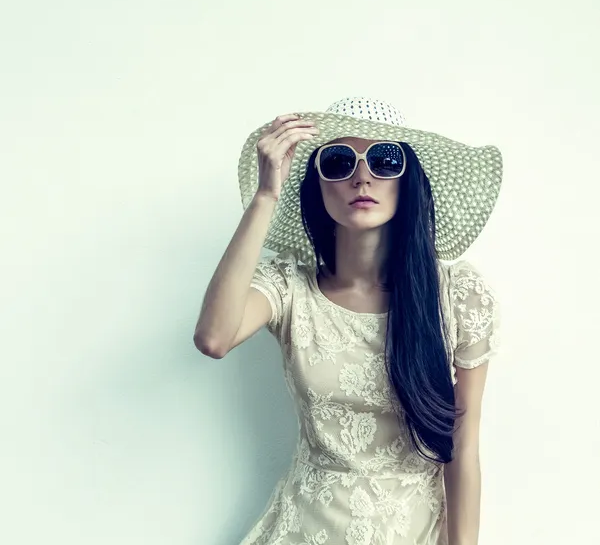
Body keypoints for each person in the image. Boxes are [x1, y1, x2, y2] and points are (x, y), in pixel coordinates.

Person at [194, 96, 503, 545]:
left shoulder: (457, 296)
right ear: (317, 186)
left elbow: (464, 447)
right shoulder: (290, 289)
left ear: (407, 179)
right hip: (305, 528)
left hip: (413, 530)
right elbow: (214, 337)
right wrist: (265, 196)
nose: (363, 176)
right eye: (338, 162)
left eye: (384, 159)